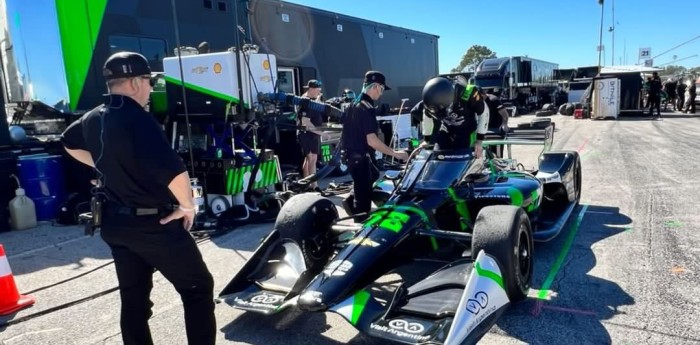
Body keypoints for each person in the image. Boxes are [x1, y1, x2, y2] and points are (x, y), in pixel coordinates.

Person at [60, 52, 216, 345]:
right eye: (148, 81)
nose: (150, 88)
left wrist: (102, 164)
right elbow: (174, 171)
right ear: (134, 83)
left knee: (134, 299)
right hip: (154, 225)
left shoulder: (94, 116)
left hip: (116, 225)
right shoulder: (138, 119)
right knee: (197, 288)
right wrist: (187, 206)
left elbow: (67, 142)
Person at [342, 71, 408, 221]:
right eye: (382, 89)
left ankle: (351, 198)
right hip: (360, 159)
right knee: (363, 203)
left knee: (374, 174)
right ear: (376, 87)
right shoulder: (367, 108)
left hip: (350, 157)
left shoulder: (353, 104)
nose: (382, 93)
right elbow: (372, 140)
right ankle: (361, 228)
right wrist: (396, 154)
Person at [419, 76, 489, 156]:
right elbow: (427, 117)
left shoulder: (469, 92)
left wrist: (479, 141)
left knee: (461, 158)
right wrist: (426, 140)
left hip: (467, 131)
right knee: (438, 155)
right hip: (446, 129)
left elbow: (484, 114)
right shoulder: (430, 100)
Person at [297, 80, 327, 191]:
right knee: (312, 158)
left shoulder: (314, 99)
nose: (319, 93)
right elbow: (306, 122)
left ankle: (306, 183)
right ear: (311, 89)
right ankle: (314, 185)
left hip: (313, 134)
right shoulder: (306, 102)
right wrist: (321, 133)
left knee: (309, 158)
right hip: (307, 133)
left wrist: (318, 99)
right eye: (318, 91)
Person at [484, 88, 510, 157]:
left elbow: (505, 114)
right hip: (486, 129)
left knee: (496, 153)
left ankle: (498, 165)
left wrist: (504, 124)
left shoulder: (493, 99)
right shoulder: (477, 101)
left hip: (496, 129)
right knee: (486, 154)